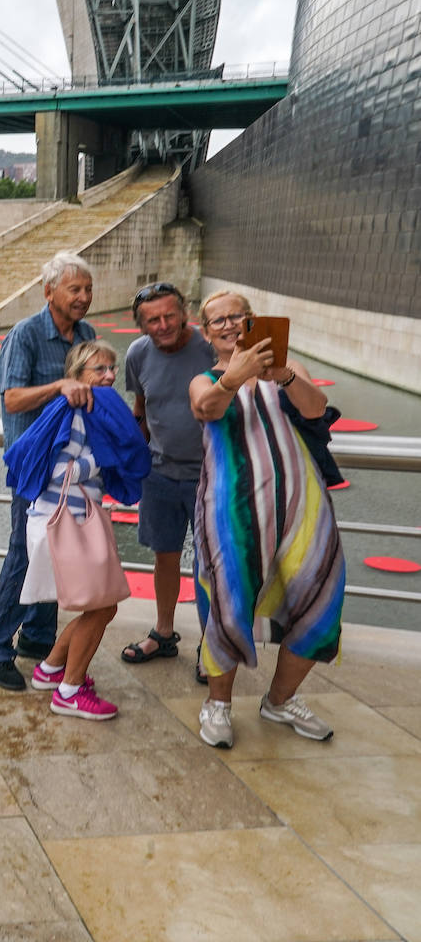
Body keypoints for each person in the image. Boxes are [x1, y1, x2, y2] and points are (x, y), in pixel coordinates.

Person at [189, 290, 344, 749]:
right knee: (229, 602)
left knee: (323, 602)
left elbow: (316, 409)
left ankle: (280, 700)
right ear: (206, 332)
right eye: (219, 320)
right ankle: (217, 704)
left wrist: (286, 374)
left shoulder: (286, 372)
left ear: (254, 321)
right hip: (232, 507)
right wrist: (232, 379)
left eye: (238, 316)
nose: (230, 325)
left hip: (302, 505)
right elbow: (206, 408)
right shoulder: (204, 377)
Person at [6, 340, 150, 718]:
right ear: (77, 376)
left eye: (111, 369)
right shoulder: (79, 412)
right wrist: (103, 462)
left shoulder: (76, 409)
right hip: (68, 520)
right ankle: (68, 692)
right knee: (102, 607)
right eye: (99, 370)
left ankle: (51, 669)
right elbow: (55, 470)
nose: (110, 376)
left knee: (99, 606)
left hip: (63, 518)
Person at [0, 250, 98, 690]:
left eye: (88, 290)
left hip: (71, 468)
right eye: (75, 289)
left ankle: (38, 638)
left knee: (57, 553)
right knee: (24, 553)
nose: (83, 297)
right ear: (49, 292)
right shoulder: (25, 335)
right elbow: (11, 399)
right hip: (34, 468)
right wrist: (60, 386)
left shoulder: (84, 334)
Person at [118, 283, 215, 670]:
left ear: (185, 312)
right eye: (152, 320)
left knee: (211, 564)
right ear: (141, 325)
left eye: (169, 315)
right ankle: (163, 632)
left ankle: (213, 646)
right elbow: (141, 406)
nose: (162, 325)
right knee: (165, 557)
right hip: (158, 473)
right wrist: (131, 460)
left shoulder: (210, 348)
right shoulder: (137, 354)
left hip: (210, 476)